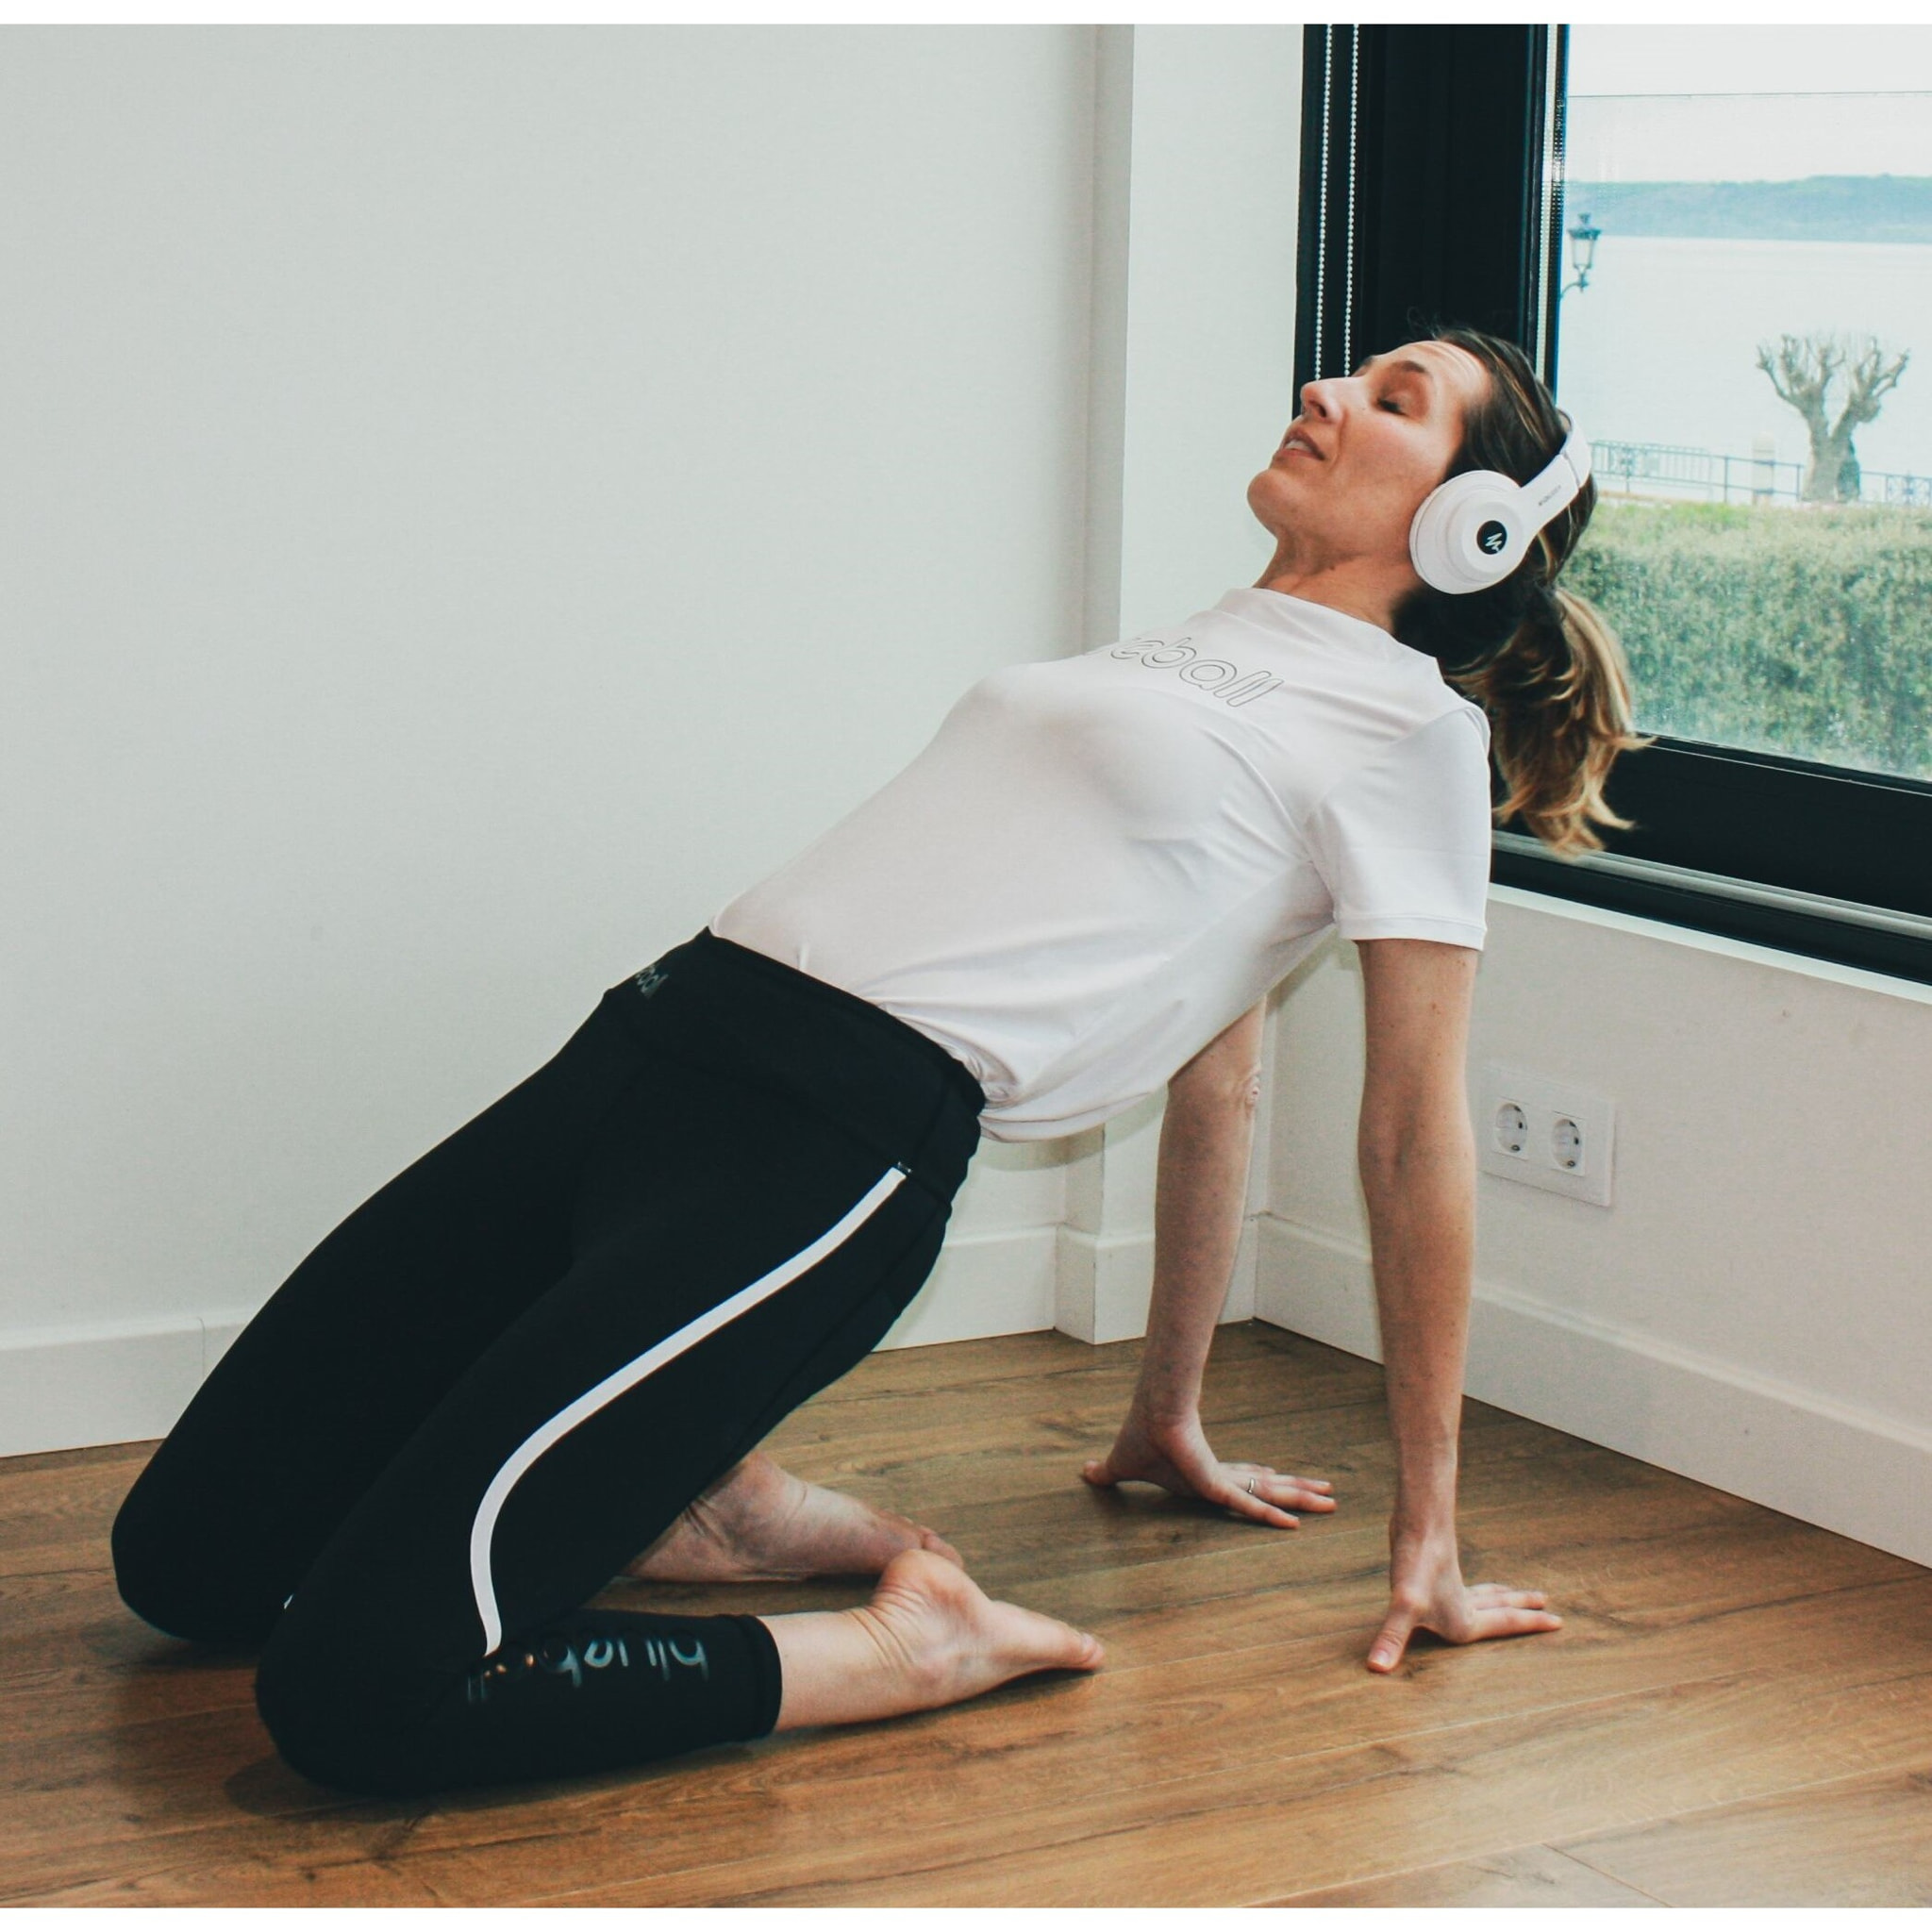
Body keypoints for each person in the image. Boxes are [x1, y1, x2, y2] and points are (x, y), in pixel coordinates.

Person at [111, 325, 1643, 1796]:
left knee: (354, 1697)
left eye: (1393, 398)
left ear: (1475, 529)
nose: (1324, 389)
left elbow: (1409, 1131)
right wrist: (1166, 1410)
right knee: (192, 1561)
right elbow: (1218, 1064)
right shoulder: (1196, 648)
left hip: (820, 1152)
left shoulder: (1407, 737)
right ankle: (704, 1507)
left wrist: (1425, 1533)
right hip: (647, 1044)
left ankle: (909, 1646)